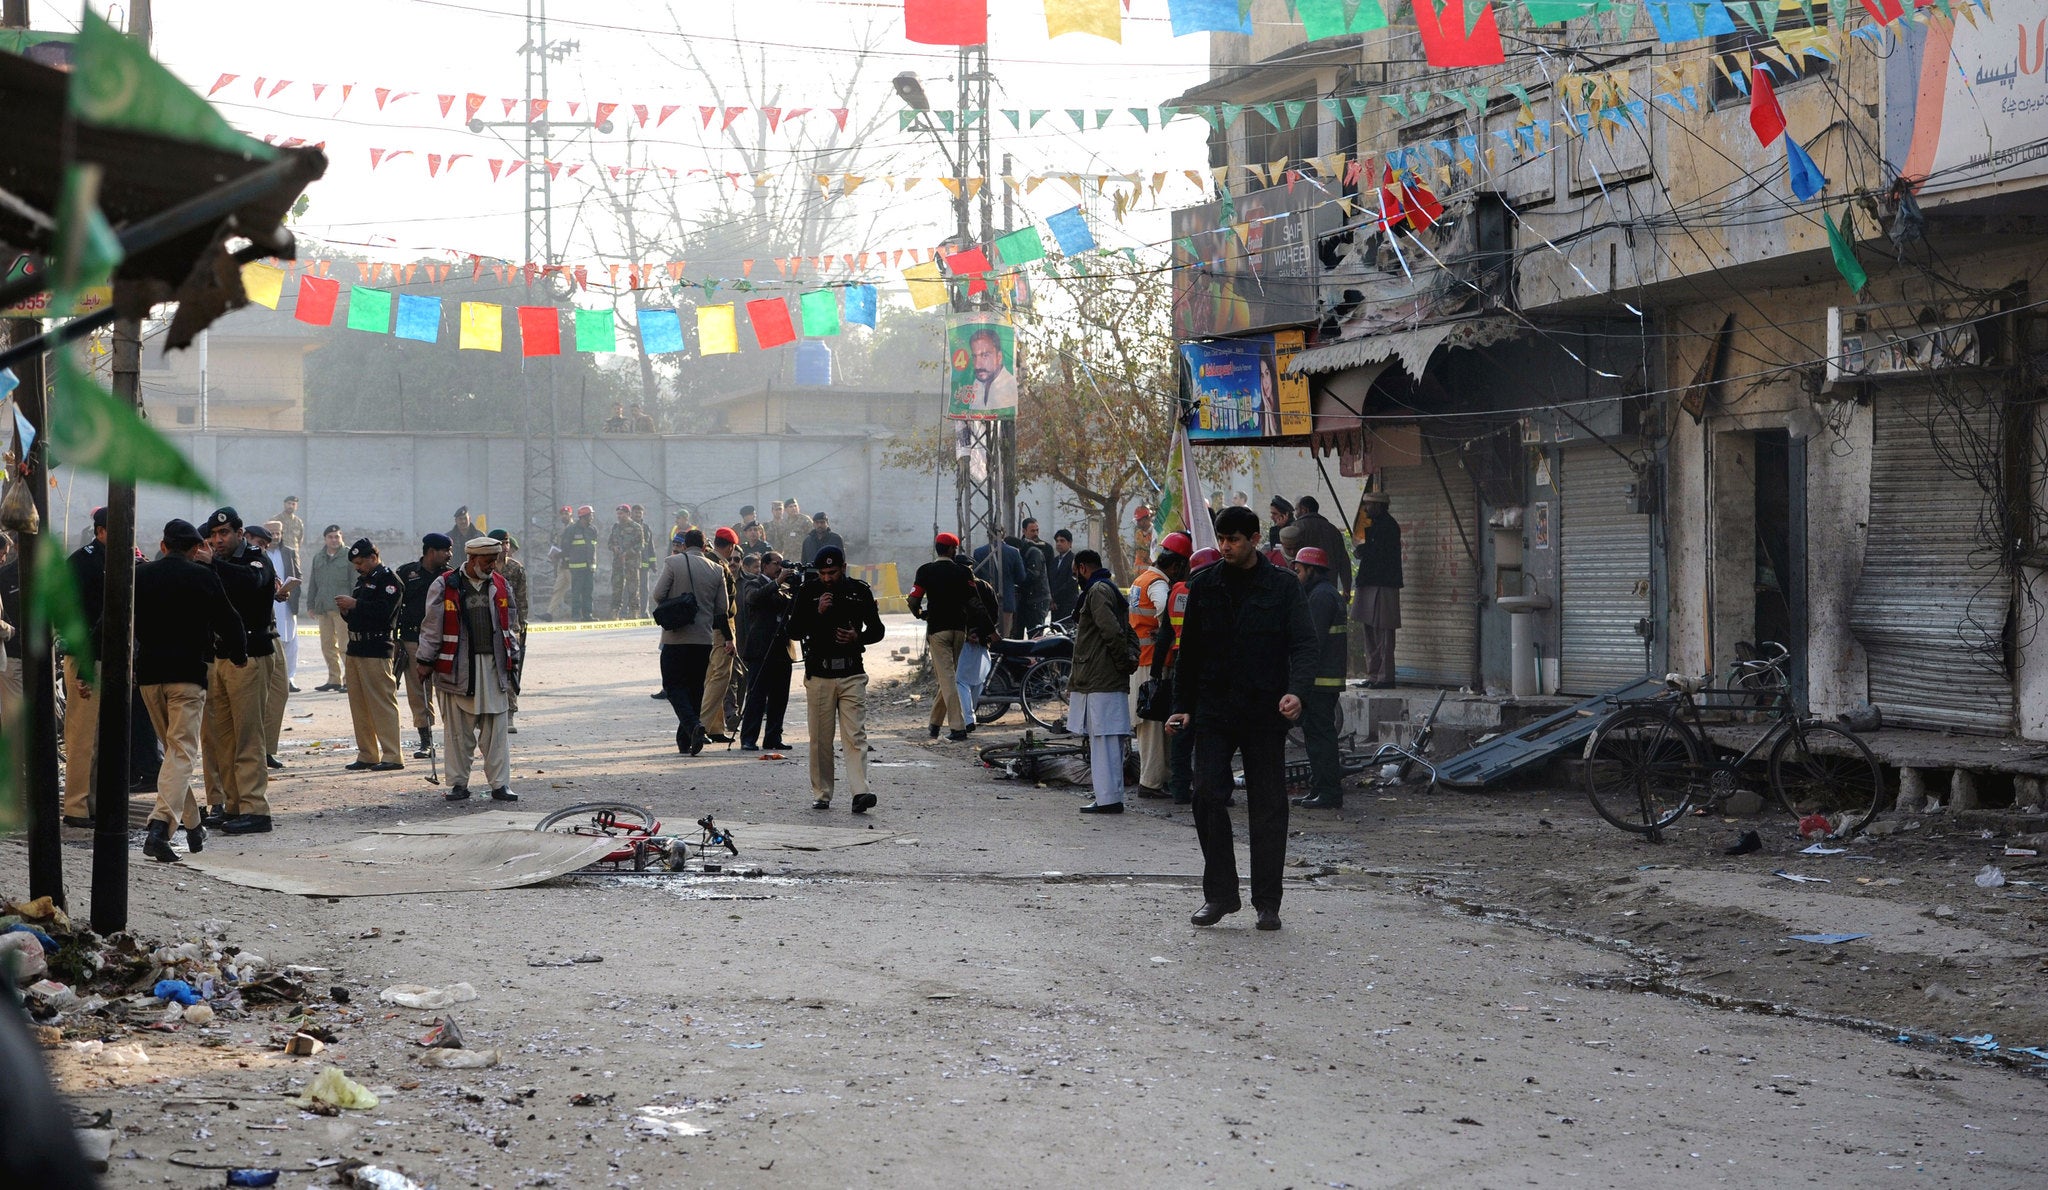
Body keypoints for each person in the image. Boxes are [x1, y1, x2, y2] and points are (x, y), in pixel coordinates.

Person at [1168, 505, 1316, 932]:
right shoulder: (1204, 585)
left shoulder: (1283, 587)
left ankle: (1267, 901)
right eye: (1222, 538)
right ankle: (1220, 894)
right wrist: (1181, 705)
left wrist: (1297, 692)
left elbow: (1304, 645)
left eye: (1234, 539)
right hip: (1214, 710)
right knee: (1206, 795)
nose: (1226, 546)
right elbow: (1189, 653)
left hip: (1264, 711)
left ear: (1254, 539)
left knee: (1268, 805)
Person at [135, 519, 248, 864]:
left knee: (173, 753)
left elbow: (114, 618)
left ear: (164, 545)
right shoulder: (203, 577)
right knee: (181, 752)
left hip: (150, 676)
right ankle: (159, 827)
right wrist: (239, 653)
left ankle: (194, 825)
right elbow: (230, 620)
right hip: (187, 677)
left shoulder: (141, 575)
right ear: (194, 548)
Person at [416, 538, 522, 802]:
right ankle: (458, 784)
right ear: (473, 559)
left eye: (494, 561)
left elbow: (512, 625)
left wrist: (514, 660)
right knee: (457, 731)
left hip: (493, 668)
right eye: (487, 561)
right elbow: (431, 626)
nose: (492, 566)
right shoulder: (445, 584)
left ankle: (500, 784)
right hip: (456, 668)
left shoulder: (500, 585)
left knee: (496, 730)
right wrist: (424, 660)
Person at [199, 507, 283, 835]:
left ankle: (255, 809)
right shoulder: (218, 561)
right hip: (221, 656)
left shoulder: (255, 557)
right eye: (215, 535)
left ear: (239, 533)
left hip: (250, 656)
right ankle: (234, 806)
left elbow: (252, 581)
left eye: (225, 534)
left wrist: (213, 564)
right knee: (224, 738)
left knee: (248, 737)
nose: (218, 540)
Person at [786, 545, 884, 813]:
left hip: (852, 673)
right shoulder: (808, 592)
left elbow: (877, 630)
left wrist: (857, 637)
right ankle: (822, 793)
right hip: (819, 675)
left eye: (832, 572)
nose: (827, 577)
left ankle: (860, 792)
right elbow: (793, 630)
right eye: (823, 573)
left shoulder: (859, 591)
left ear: (843, 567)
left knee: (855, 736)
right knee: (820, 739)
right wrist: (816, 611)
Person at [649, 528, 731, 756]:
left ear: (684, 545)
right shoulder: (717, 569)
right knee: (696, 688)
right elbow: (721, 609)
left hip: (675, 637)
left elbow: (658, 594)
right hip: (703, 639)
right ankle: (685, 741)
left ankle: (694, 726)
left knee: (674, 686)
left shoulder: (674, 562)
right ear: (706, 548)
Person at [1069, 549, 1136, 814]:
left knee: (1103, 740)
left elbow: (1112, 630)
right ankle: (1109, 797)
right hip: (1105, 677)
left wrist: (1122, 661)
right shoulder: (1108, 588)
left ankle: (1108, 799)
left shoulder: (1096, 591)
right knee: (1106, 741)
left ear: (1083, 568)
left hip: (1100, 679)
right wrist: (1128, 659)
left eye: (1075, 572)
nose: (1076, 577)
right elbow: (1126, 631)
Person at [1129, 532, 1192, 800]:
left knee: (1151, 724)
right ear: (1177, 565)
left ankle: (1156, 778)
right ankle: (1152, 782)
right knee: (1155, 726)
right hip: (1153, 662)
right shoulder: (1158, 584)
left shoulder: (1141, 579)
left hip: (1142, 661)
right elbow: (1164, 610)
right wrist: (1165, 628)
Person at [60, 508, 111, 827]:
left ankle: (93, 802)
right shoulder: (83, 561)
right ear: (101, 530)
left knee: (102, 737)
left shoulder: (118, 559)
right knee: (82, 736)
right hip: (86, 657)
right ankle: (76, 806)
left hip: (108, 657)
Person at [336, 538, 405, 773]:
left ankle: (393, 755)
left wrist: (355, 605)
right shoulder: (362, 582)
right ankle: (367, 753)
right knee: (359, 705)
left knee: (382, 703)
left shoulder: (389, 581)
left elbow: (384, 613)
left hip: (376, 649)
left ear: (373, 558)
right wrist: (347, 611)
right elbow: (358, 616)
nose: (358, 567)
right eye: (355, 563)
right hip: (355, 649)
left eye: (360, 562)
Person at [1160, 546, 1221, 805]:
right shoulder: (1219, 593)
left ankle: (1179, 790)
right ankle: (1216, 789)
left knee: (1180, 733)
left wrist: (1156, 671)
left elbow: (1165, 634)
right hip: (1210, 671)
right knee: (1214, 732)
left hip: (1179, 667)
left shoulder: (1175, 591)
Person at [1290, 546, 1350, 810]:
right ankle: (1319, 789)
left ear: (1312, 570)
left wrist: (1298, 679)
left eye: (1300, 570)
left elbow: (1311, 642)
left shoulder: (1320, 598)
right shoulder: (1326, 593)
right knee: (1316, 737)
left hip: (1319, 682)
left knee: (1320, 738)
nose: (1297, 575)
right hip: (1324, 680)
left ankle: (1328, 792)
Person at [908, 532, 975, 742]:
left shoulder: (925, 570)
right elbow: (974, 602)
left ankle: (958, 727)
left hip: (938, 631)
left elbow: (913, 599)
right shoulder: (964, 572)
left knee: (947, 679)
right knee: (948, 678)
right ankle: (935, 724)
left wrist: (920, 614)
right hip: (959, 631)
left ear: (937, 548)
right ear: (952, 550)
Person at [396, 533, 453, 760]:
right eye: (445, 550)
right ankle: (426, 740)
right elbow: (396, 607)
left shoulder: (452, 575)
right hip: (413, 640)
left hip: (445, 641)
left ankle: (453, 736)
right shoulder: (406, 573)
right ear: (431, 551)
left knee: (448, 690)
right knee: (418, 692)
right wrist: (396, 640)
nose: (449, 555)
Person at [244, 523, 296, 769]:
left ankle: (267, 749)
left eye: (265, 545)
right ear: (246, 538)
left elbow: (270, 586)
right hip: (250, 636)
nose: (262, 548)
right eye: (259, 543)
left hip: (271, 630)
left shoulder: (265, 561)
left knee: (279, 690)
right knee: (254, 698)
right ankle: (253, 750)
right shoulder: (240, 562)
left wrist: (279, 593)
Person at [738, 550, 796, 751]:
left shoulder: (786, 587)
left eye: (782, 564)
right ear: (764, 565)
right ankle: (748, 738)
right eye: (776, 563)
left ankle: (773, 737)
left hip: (782, 649)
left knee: (780, 697)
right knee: (756, 696)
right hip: (761, 650)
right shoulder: (753, 584)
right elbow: (753, 599)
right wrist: (777, 582)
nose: (780, 567)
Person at [1352, 490, 1402, 688]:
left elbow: (1381, 555)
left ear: (1380, 506)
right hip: (1370, 582)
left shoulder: (1389, 527)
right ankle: (1373, 675)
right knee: (1370, 631)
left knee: (1384, 632)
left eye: (1370, 505)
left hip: (1384, 584)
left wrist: (1365, 550)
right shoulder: (1376, 526)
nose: (1366, 509)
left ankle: (1385, 677)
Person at [699, 527, 744, 742]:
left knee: (712, 676)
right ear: (731, 547)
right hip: (721, 629)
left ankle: (716, 728)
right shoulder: (720, 567)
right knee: (719, 678)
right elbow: (722, 607)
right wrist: (729, 637)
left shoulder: (705, 561)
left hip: (705, 628)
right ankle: (702, 726)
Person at [487, 529, 529, 732]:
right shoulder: (483, 568)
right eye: (500, 543)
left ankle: (510, 713)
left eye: (506, 543)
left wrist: (521, 626)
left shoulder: (516, 569)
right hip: (487, 624)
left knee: (511, 668)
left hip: (510, 626)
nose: (504, 547)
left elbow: (522, 600)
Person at [303, 524, 352, 693]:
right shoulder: (319, 557)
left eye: (337, 536)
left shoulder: (349, 556)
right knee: (327, 646)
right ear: (325, 539)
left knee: (345, 646)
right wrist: (311, 605)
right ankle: (334, 679)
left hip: (342, 609)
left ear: (341, 537)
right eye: (330, 537)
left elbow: (355, 582)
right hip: (323, 608)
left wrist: (355, 604)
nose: (334, 540)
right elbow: (313, 584)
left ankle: (349, 680)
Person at [1290, 495, 1353, 597]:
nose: (1295, 513)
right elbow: (1344, 562)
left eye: (1296, 510)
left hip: (1302, 588)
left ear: (1304, 510)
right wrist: (1347, 589)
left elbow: (1289, 557)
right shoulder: (1333, 530)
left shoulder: (1296, 528)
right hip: (1329, 587)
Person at [972, 531, 1027, 638]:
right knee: (1004, 637)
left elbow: (975, 576)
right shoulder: (1013, 552)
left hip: (984, 601)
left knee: (984, 636)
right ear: (1004, 534)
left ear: (987, 534)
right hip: (1006, 600)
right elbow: (1021, 577)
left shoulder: (978, 552)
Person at [958, 327, 1018, 412]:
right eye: (974, 356)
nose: (977, 365)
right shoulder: (977, 383)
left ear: (999, 357)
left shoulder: (1010, 385)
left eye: (985, 355)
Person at [558, 505, 600, 621]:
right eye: (590, 515)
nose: (592, 517)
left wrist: (594, 563)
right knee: (576, 591)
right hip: (576, 567)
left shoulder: (592, 530)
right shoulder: (571, 530)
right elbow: (565, 547)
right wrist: (566, 561)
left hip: (589, 567)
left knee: (588, 592)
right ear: (584, 516)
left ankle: (588, 615)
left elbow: (593, 548)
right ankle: (576, 615)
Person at [608, 504, 649, 620]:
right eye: (618, 514)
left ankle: (634, 613)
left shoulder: (636, 527)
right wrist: (614, 548)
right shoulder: (615, 527)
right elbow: (609, 543)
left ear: (628, 514)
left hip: (632, 563)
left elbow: (640, 545)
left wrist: (628, 553)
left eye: (621, 514)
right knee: (617, 587)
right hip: (618, 563)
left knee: (633, 588)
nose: (619, 516)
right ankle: (615, 613)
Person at [1014, 519, 1055, 632]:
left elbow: (1050, 575)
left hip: (1038, 596)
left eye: (1037, 530)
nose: (1036, 533)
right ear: (1024, 530)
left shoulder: (1046, 548)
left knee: (1036, 632)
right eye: (1032, 531)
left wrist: (1051, 596)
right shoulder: (1018, 547)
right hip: (1021, 598)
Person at [544, 504, 574, 621]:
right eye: (562, 514)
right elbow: (556, 544)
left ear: (571, 514)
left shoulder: (574, 528)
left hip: (572, 565)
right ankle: (549, 613)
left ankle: (581, 612)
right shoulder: (560, 530)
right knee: (558, 589)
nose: (564, 516)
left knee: (576, 589)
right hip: (562, 565)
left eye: (566, 514)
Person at [1047, 528, 1079, 623]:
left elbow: (1071, 582)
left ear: (1070, 543)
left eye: (1062, 541)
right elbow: (1050, 579)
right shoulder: (1054, 561)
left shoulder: (1074, 560)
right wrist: (1051, 599)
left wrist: (1055, 597)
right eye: (1057, 541)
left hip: (1068, 604)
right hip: (1054, 606)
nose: (1058, 543)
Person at [630, 505, 656, 610]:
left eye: (640, 513)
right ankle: (628, 612)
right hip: (630, 565)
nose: (638, 515)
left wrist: (653, 563)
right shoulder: (627, 527)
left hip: (644, 564)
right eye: (636, 513)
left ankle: (644, 611)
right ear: (631, 514)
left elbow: (650, 547)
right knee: (630, 588)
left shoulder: (646, 528)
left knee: (644, 589)